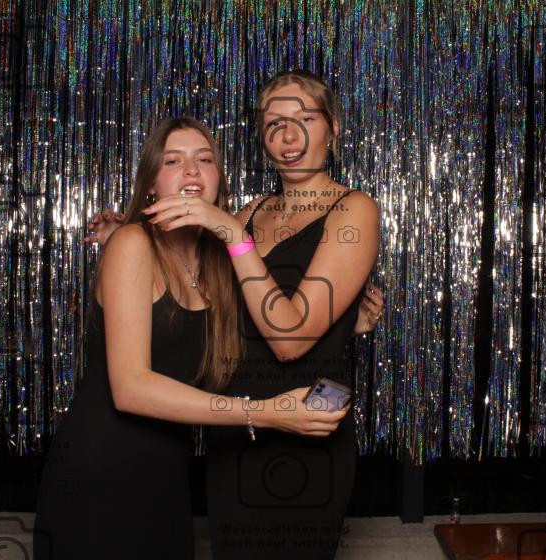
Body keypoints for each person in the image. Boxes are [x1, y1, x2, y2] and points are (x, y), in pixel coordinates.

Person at [33, 117, 348, 560]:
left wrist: (349, 315)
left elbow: (273, 324)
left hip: (168, 478)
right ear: (150, 184)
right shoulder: (132, 244)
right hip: (98, 472)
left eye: (204, 159)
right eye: (173, 161)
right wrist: (265, 413)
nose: (192, 170)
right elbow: (131, 388)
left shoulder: (219, 265)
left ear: (219, 181)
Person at [141, 69, 380, 559]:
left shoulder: (353, 209)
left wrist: (231, 234)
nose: (289, 137)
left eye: (304, 120)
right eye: (274, 125)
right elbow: (200, 305)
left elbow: (290, 340)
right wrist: (132, 237)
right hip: (237, 430)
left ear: (333, 127)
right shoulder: (249, 212)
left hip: (308, 432)